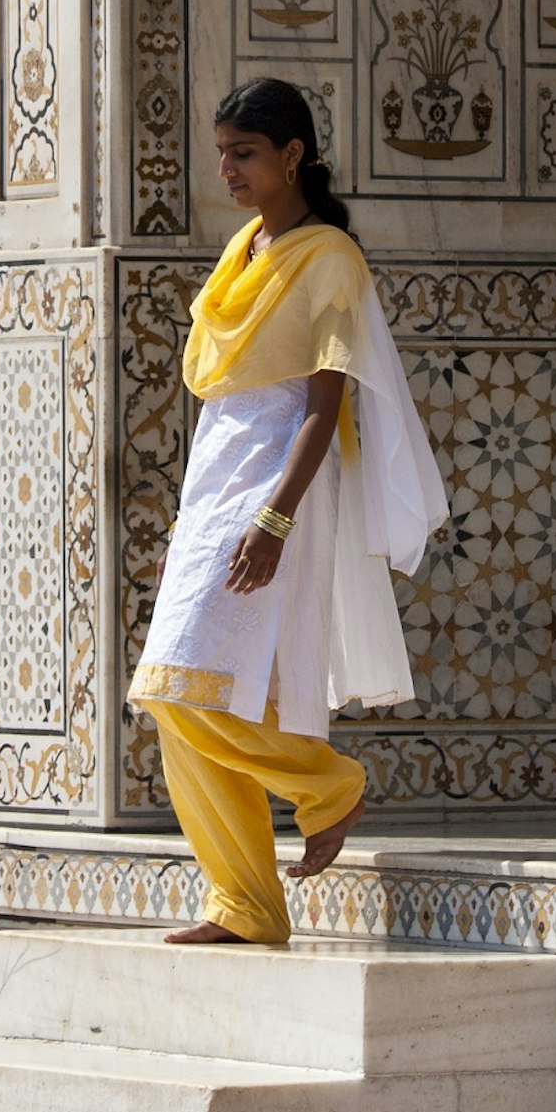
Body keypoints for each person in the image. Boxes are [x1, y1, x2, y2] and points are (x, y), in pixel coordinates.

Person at [130, 78, 448, 945]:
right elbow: (221, 402)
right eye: (224, 152)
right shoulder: (244, 253)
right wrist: (195, 522)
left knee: (183, 689)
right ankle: (246, 903)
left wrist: (275, 519)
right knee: (177, 703)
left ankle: (328, 785)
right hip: (217, 483)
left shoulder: (328, 258)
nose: (228, 169)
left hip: (279, 484)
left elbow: (323, 402)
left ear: (294, 156)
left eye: (246, 153)